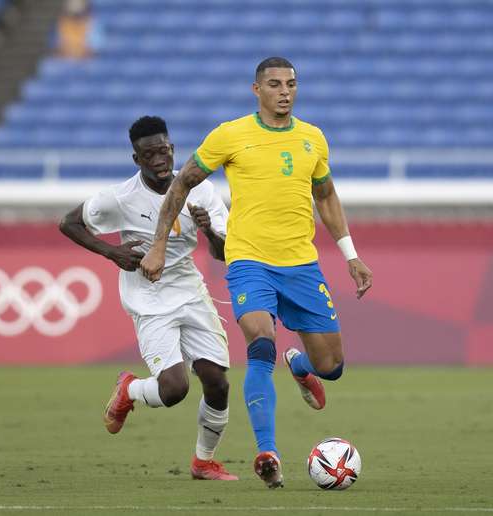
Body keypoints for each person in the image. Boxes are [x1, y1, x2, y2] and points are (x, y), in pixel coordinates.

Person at [139, 57, 374, 488]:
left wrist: (350, 255)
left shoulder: (313, 139)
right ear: (256, 90)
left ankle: (301, 366)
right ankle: (268, 452)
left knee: (333, 366)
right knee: (260, 342)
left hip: (301, 264)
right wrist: (157, 245)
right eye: (275, 84)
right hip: (249, 261)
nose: (285, 91)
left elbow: (326, 195)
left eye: (291, 84)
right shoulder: (231, 135)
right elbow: (182, 182)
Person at [59, 116, 237, 481]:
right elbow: (69, 223)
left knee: (217, 382)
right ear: (136, 159)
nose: (159, 160)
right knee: (174, 390)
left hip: (189, 291)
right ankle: (130, 388)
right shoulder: (120, 198)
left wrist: (209, 233)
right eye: (149, 154)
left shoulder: (201, 191)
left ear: (172, 150)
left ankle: (203, 462)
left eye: (164, 151)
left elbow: (223, 254)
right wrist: (111, 252)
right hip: (149, 297)